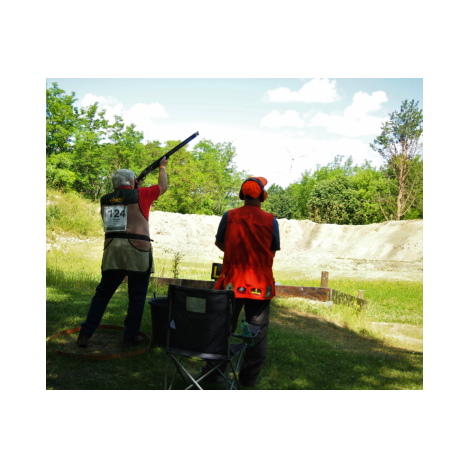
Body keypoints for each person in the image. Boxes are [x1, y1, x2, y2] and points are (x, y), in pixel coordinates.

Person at [77, 158, 169, 348]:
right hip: (138, 252)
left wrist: (134, 187)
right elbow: (163, 186)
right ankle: (129, 336)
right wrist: (162, 167)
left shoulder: (105, 199)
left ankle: (85, 334)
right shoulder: (141, 194)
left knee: (102, 294)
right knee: (137, 296)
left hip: (113, 252)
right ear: (132, 181)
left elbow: (122, 206)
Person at [204, 177, 281, 387]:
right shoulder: (271, 220)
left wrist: (234, 254)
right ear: (263, 196)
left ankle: (212, 372)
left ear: (241, 195)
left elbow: (219, 242)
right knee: (257, 331)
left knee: (222, 327)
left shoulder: (229, 216)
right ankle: (247, 379)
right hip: (260, 286)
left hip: (231, 283)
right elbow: (272, 250)